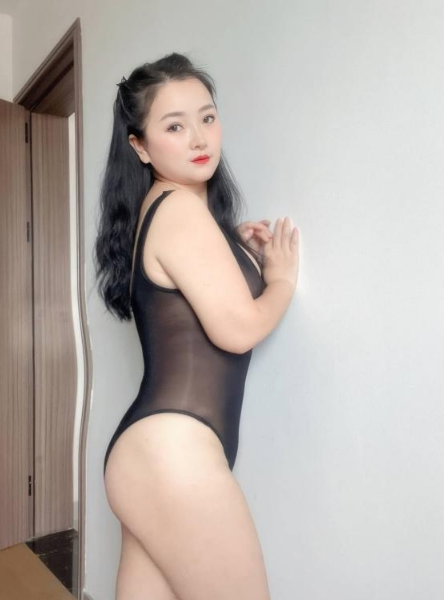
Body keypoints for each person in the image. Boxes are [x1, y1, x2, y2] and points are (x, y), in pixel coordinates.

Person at [94, 52, 299, 600]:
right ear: (140, 145)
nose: (199, 137)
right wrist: (280, 280)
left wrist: (240, 251)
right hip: (171, 455)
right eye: (174, 126)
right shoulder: (179, 209)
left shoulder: (170, 210)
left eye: (207, 117)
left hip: (152, 454)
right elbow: (238, 330)